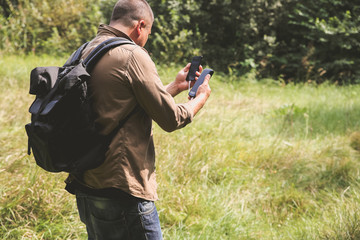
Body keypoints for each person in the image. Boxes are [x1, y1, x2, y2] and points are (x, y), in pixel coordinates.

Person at [65, 0, 212, 239]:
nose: (146, 39)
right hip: (123, 188)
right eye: (148, 33)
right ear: (140, 25)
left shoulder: (87, 50)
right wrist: (200, 98)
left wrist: (175, 86)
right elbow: (171, 118)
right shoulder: (132, 54)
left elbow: (122, 101)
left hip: (87, 182)